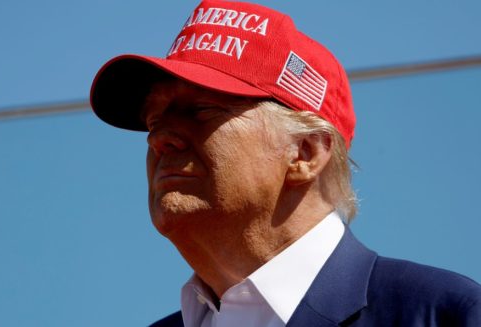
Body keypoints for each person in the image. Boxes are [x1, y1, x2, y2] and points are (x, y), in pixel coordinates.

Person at [89, 1, 481, 326]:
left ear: (306, 153)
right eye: (155, 121)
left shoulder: (443, 313)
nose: (158, 138)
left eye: (202, 109)